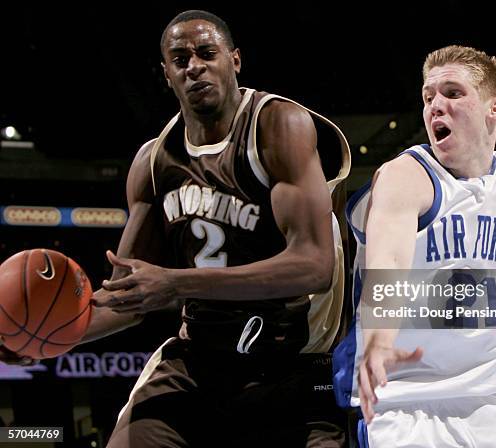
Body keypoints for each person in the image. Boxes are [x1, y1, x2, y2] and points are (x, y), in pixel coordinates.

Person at [2, 9, 351, 447]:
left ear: (234, 60)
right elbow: (128, 299)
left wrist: (175, 282)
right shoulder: (153, 162)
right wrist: (44, 338)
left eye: (207, 53)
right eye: (180, 59)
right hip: (200, 363)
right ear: (167, 74)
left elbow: (314, 266)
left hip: (295, 364)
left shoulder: (277, 126)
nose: (195, 66)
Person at [332, 45, 496, 447]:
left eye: (452, 93)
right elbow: (387, 264)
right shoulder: (407, 176)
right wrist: (379, 342)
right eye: (428, 97)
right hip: (410, 402)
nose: (435, 106)